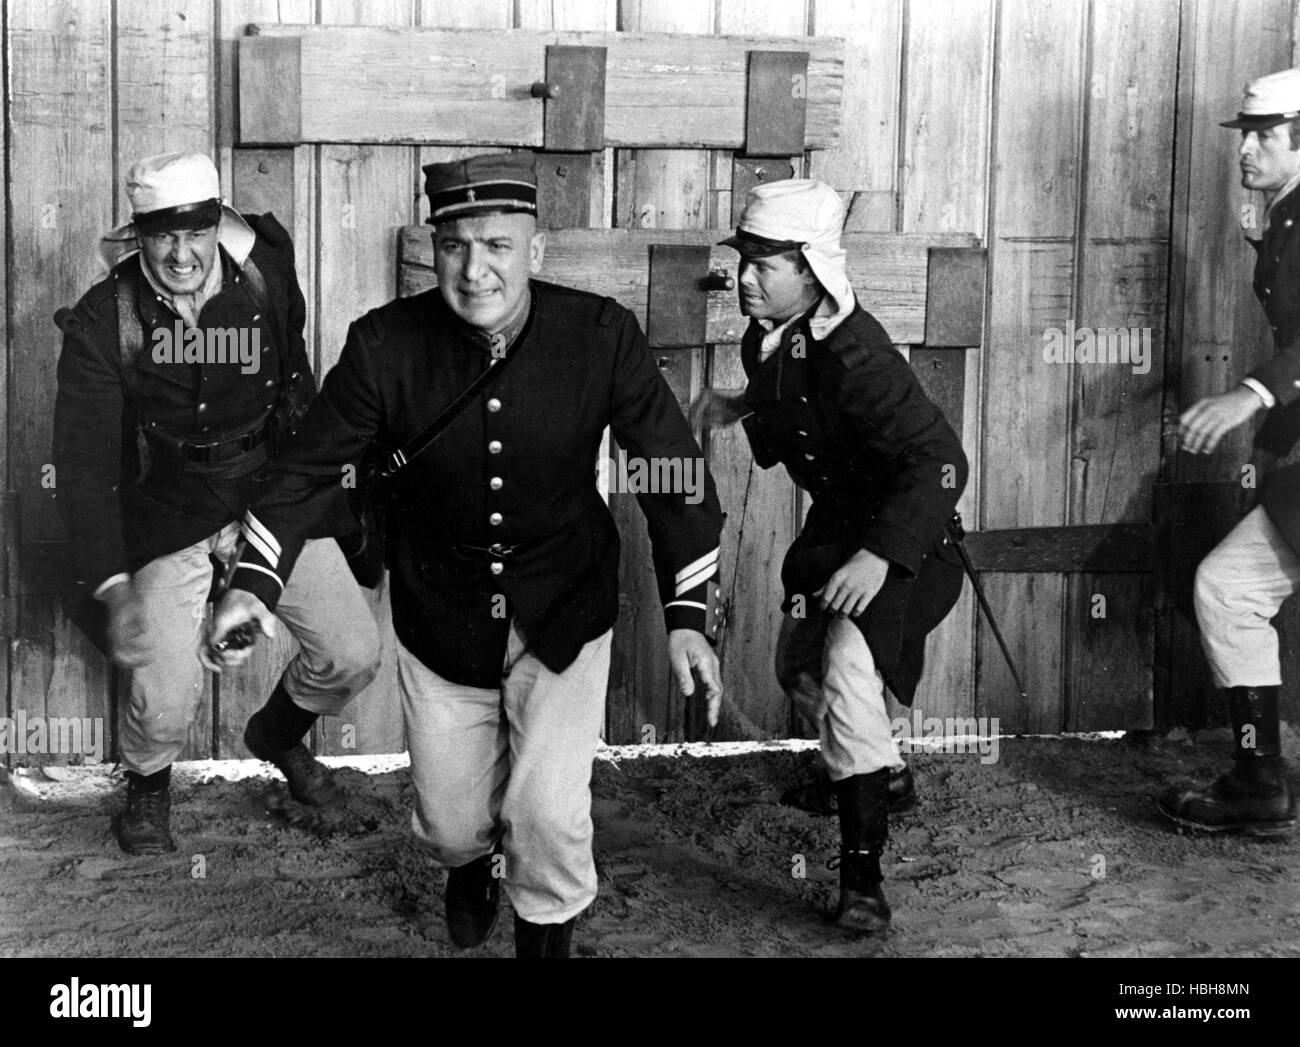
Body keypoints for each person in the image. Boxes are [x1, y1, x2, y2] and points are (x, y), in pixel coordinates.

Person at [206, 153, 725, 957]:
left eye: (497, 246)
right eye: (455, 246)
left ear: (535, 252)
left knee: (548, 815)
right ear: (434, 250)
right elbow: (312, 467)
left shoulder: (599, 334)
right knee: (451, 820)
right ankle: (468, 864)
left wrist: (688, 615)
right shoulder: (386, 343)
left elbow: (670, 470)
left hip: (564, 603)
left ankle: (543, 930)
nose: (475, 269)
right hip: (441, 608)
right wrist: (253, 583)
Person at [52, 152, 381, 856]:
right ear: (137, 236)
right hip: (171, 508)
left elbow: (299, 387)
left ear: (217, 225)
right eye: (162, 236)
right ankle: (146, 782)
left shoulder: (264, 272)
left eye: (195, 232)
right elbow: (83, 470)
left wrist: (333, 503)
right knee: (165, 695)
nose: (180, 253)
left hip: (271, 492)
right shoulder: (103, 321)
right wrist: (113, 586)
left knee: (353, 653)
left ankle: (278, 734)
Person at [692, 179, 968, 932]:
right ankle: (885, 770)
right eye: (743, 259)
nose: (745, 277)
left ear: (812, 271)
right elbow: (794, 397)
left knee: (849, 672)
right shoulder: (769, 336)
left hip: (910, 544)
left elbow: (943, 461)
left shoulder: (860, 355)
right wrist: (738, 402)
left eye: (765, 264)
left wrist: (880, 556)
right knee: (800, 669)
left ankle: (862, 880)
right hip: (836, 538)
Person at [1160, 69, 1300, 837]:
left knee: (1229, 589)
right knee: (1232, 589)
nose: (1245, 149)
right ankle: (1259, 777)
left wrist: (1250, 394)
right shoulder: (1285, 216)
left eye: (1264, 135)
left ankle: (1258, 780)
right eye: (1244, 134)